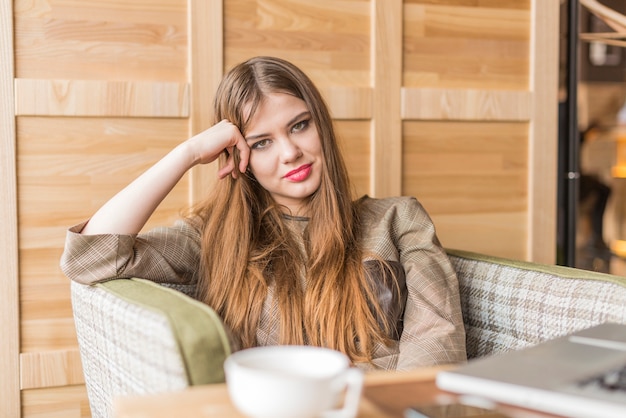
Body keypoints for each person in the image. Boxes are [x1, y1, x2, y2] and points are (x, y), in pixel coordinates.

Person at [60, 56, 466, 370]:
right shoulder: (214, 239)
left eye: (300, 125)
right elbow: (88, 256)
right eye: (261, 143)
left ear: (320, 125)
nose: (290, 152)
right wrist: (185, 154)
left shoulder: (398, 220)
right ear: (238, 156)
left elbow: (437, 344)